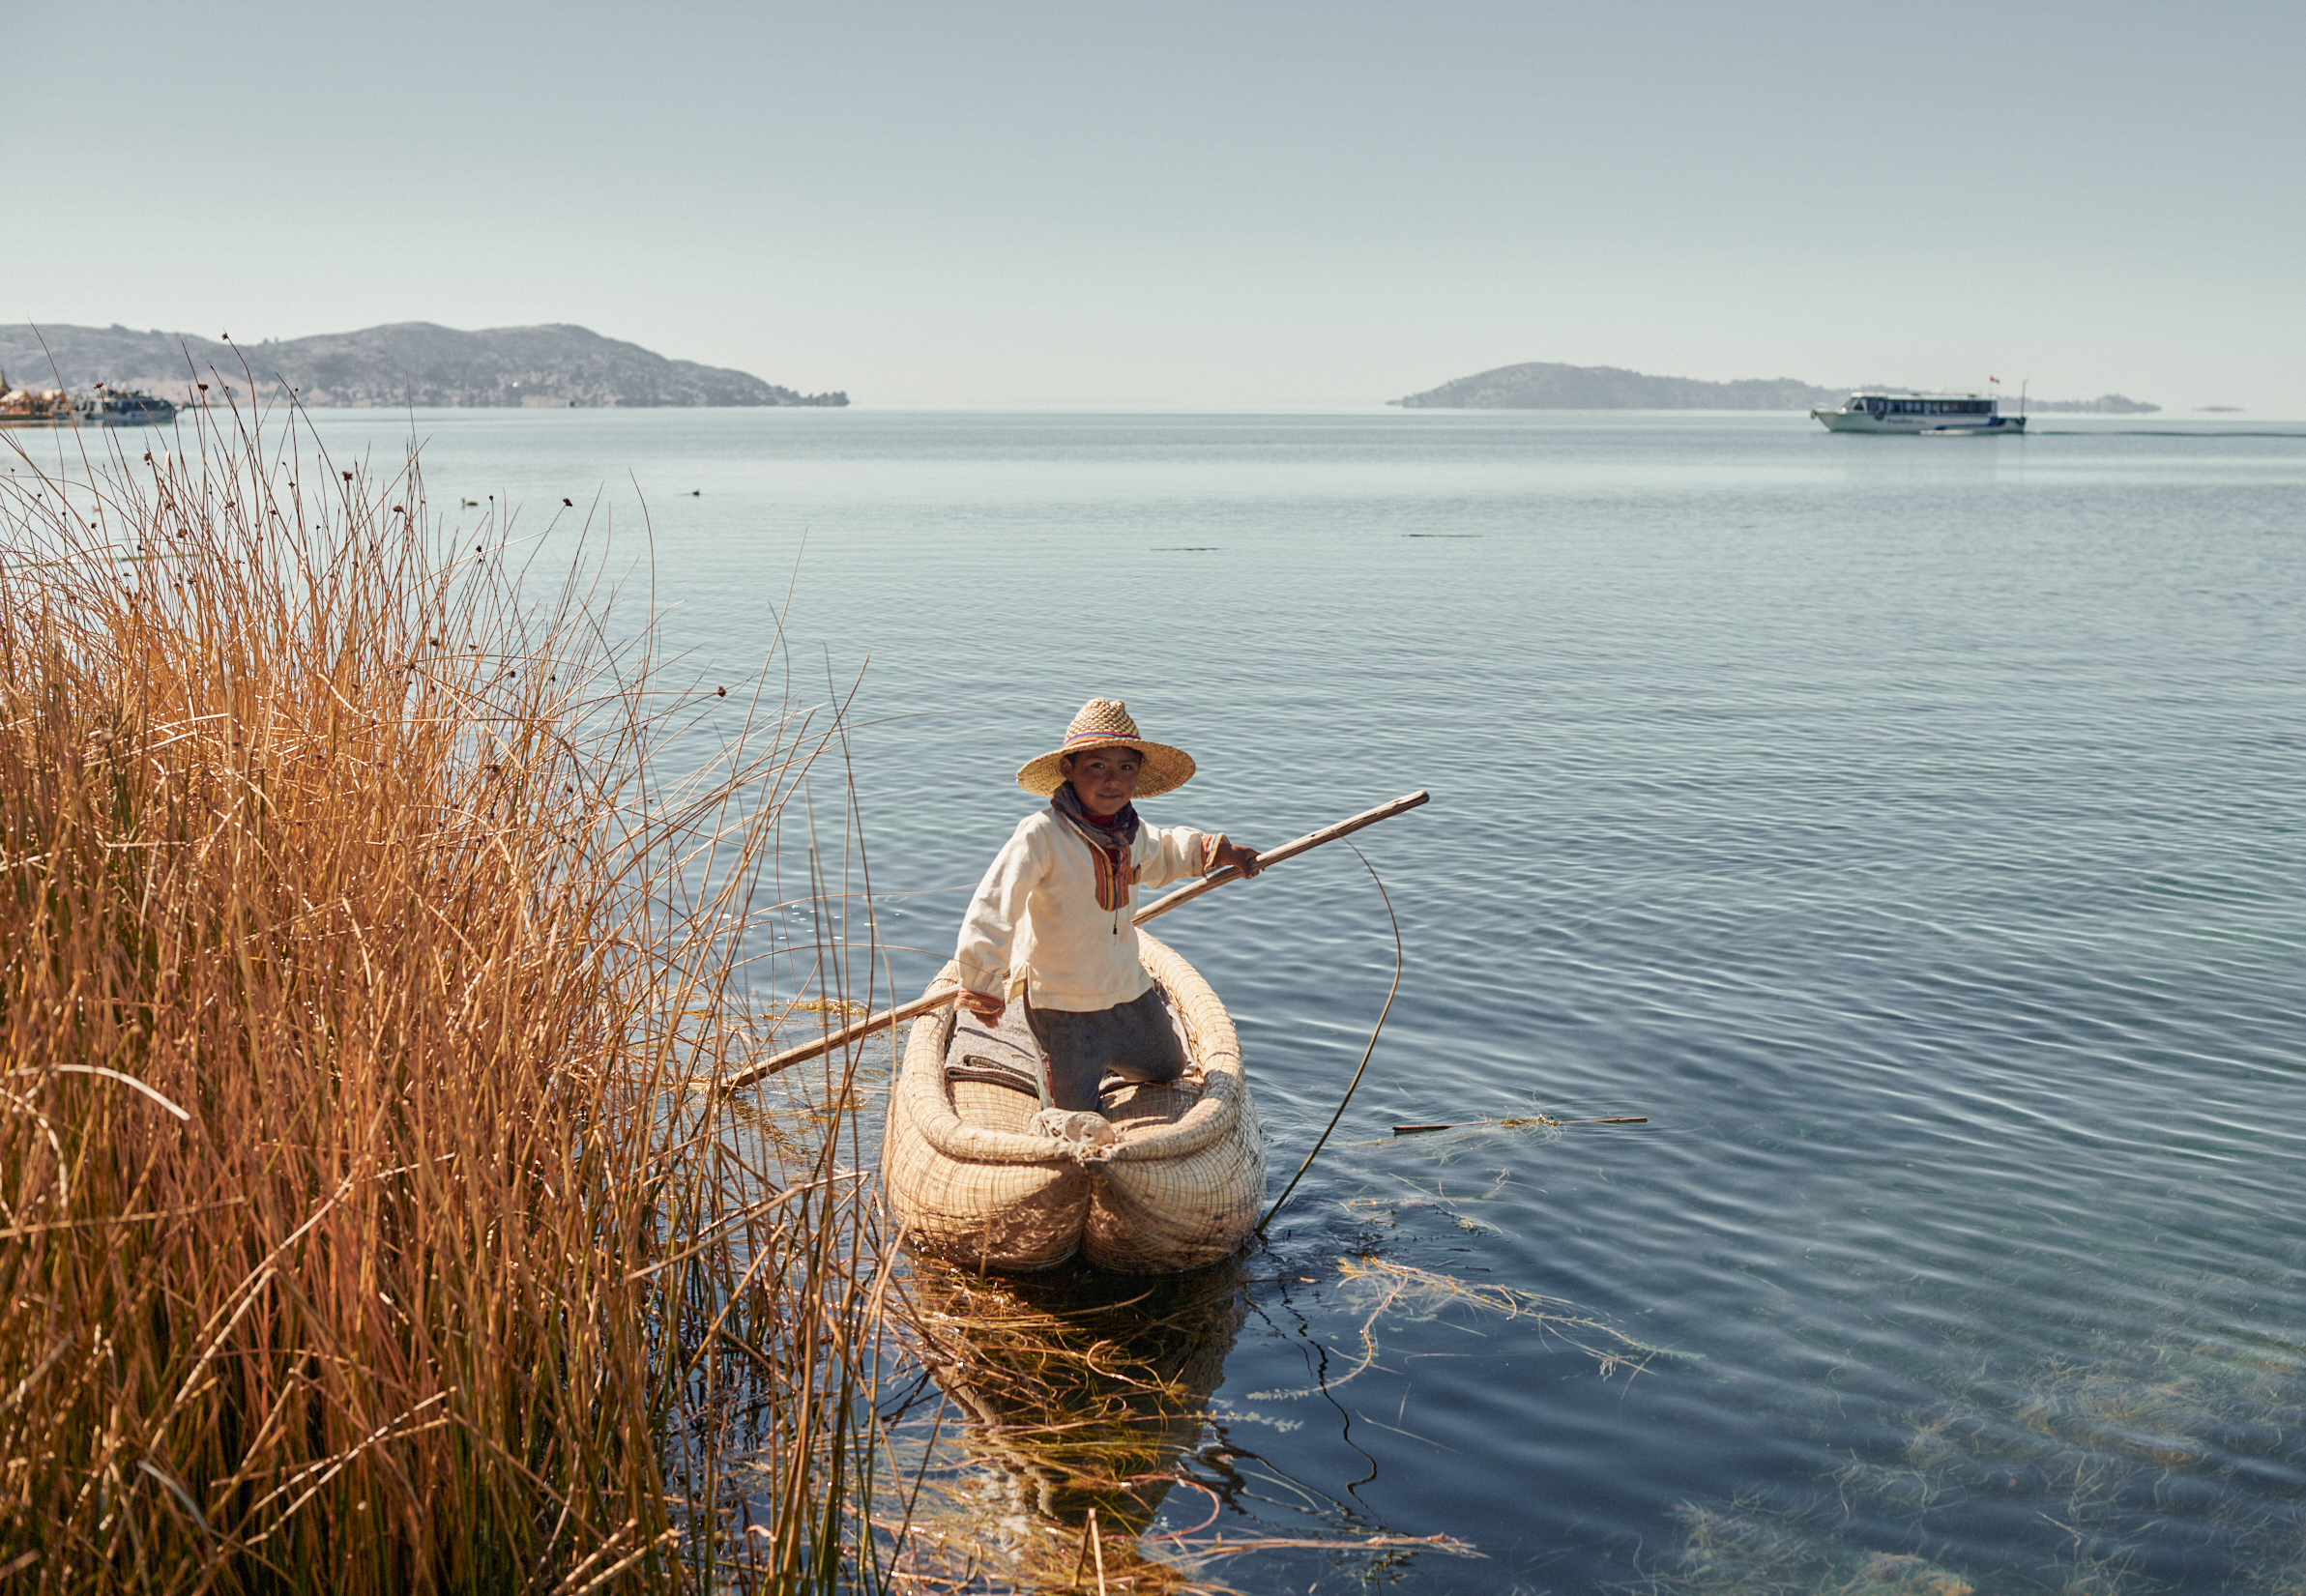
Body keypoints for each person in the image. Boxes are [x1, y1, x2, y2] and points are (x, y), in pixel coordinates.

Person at [953, 698, 1262, 1114]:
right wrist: (982, 981)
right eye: (1097, 766)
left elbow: (1165, 851)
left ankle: (1109, 1058)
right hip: (1061, 1002)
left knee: (1167, 1067)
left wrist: (1219, 851)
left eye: (1125, 769)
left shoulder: (1130, 832)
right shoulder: (1042, 835)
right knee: (1071, 1116)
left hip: (1124, 987)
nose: (1112, 781)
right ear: (1069, 770)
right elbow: (993, 906)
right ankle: (1067, 1068)